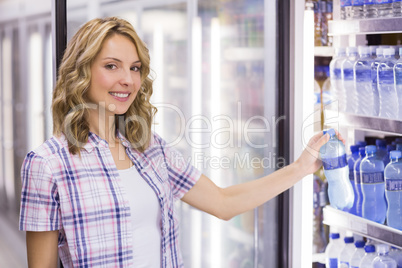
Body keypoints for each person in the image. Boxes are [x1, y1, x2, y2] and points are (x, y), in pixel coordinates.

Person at [19, 17, 341, 268]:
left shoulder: (149, 149)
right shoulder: (48, 164)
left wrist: (300, 167)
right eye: (111, 66)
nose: (128, 80)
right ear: (82, 72)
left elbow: (223, 202)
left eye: (135, 68)